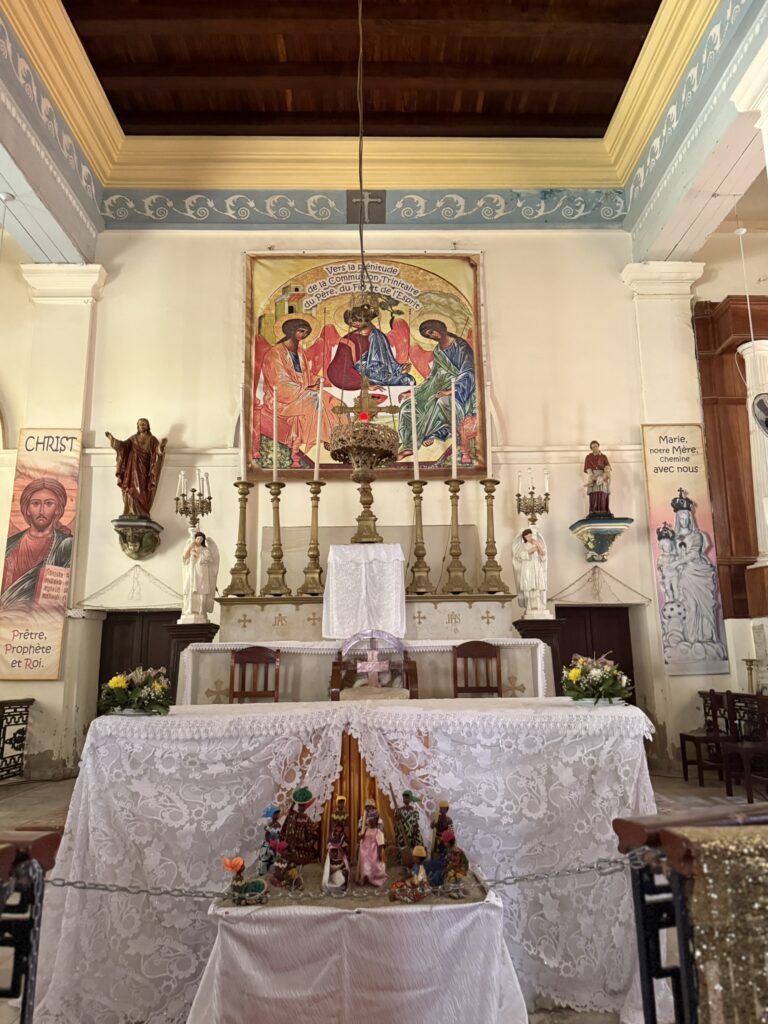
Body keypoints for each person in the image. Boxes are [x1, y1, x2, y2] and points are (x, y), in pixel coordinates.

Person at [398, 319, 475, 455]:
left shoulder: (460, 346)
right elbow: (432, 377)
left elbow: (469, 371)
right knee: (407, 407)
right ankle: (408, 444)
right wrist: (414, 392)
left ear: (439, 327)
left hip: (459, 389)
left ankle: (431, 434)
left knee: (439, 402)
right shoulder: (438, 351)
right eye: (428, 335)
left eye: (432, 331)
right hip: (436, 387)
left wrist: (451, 390)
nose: (432, 336)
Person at [260, 318, 337, 454]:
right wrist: (304, 388)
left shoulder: (300, 352)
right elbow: (280, 381)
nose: (304, 335)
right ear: (291, 330)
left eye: (307, 332)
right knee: (314, 399)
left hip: (301, 391)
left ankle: (335, 437)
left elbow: (305, 374)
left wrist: (316, 379)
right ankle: (318, 439)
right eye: (301, 331)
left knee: (333, 401)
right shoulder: (275, 353)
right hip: (282, 397)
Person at [1, 477, 72, 609]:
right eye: (35, 503)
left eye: (49, 504)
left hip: (39, 615)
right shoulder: (10, 545)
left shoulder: (64, 545)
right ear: (27, 508)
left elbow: (57, 598)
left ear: (57, 509)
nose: (42, 511)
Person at [327, 304, 414, 390]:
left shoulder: (379, 336)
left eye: (357, 321)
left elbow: (389, 361)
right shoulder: (348, 341)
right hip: (362, 377)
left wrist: (400, 369)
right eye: (352, 322)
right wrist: (363, 385)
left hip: (382, 375)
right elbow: (338, 369)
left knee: (408, 380)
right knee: (379, 383)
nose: (354, 324)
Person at [106, 419, 167, 519]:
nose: (142, 426)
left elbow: (157, 452)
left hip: (144, 469)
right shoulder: (133, 439)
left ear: (148, 426)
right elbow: (123, 446)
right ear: (137, 426)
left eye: (144, 424)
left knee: (142, 489)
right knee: (130, 489)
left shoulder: (152, 439)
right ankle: (129, 511)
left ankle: (142, 512)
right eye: (140, 424)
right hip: (131, 469)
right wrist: (113, 440)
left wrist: (161, 446)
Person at [512, 528, 550, 618]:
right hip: (528, 568)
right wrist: (530, 551)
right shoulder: (523, 546)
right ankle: (529, 606)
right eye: (527, 536)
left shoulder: (536, 543)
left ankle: (540, 605)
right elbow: (518, 556)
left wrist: (538, 545)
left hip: (537, 567)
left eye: (530, 535)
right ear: (524, 537)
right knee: (529, 586)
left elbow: (543, 555)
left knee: (539, 585)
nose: (529, 537)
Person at [180, 531, 217, 622]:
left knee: (201, 590)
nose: (199, 540)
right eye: (198, 539)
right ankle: (189, 609)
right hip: (192, 570)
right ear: (195, 539)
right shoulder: (191, 547)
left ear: (203, 540)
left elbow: (210, 559)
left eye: (201, 539)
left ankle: (201, 610)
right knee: (190, 588)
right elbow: (185, 557)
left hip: (201, 571)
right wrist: (191, 547)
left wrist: (200, 555)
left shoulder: (205, 549)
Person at [279, 786, 319, 866]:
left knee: (298, 856)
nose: (301, 808)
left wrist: (314, 831)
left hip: (302, 847)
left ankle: (294, 857)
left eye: (302, 806)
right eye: (300, 805)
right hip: (292, 844)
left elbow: (312, 831)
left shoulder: (306, 818)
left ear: (305, 807)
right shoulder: (293, 815)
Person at [357, 799, 387, 886]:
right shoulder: (363, 818)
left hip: (374, 843)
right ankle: (365, 875)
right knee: (364, 861)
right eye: (367, 807)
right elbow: (360, 831)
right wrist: (362, 831)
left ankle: (373, 875)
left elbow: (380, 832)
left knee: (374, 861)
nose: (369, 809)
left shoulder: (378, 820)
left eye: (370, 807)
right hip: (365, 844)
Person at [393, 790, 423, 862]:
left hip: (411, 833)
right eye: (404, 797)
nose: (405, 799)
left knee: (413, 846)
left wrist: (415, 832)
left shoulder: (414, 812)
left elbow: (415, 824)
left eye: (407, 797)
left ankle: (413, 860)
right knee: (402, 848)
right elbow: (396, 822)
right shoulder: (399, 810)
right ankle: (402, 860)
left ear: (410, 799)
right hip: (401, 834)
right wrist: (397, 818)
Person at [584, 441, 611, 517]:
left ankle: (603, 510)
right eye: (592, 447)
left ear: (598, 446)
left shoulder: (604, 457)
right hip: (593, 476)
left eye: (596, 446)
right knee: (594, 494)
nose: (594, 448)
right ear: (591, 448)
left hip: (603, 476)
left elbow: (608, 468)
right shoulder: (588, 457)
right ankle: (594, 510)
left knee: (603, 493)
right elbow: (588, 468)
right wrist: (593, 477)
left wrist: (603, 476)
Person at [321, 824, 350, 895]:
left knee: (345, 873)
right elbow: (330, 869)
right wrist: (339, 866)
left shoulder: (341, 853)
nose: (338, 829)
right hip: (333, 873)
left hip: (339, 871)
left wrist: (342, 866)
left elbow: (341, 843)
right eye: (337, 827)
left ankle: (345, 885)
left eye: (340, 827)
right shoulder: (332, 834)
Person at [255, 805, 282, 876]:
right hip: (268, 843)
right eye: (275, 814)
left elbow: (275, 835)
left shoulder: (277, 825)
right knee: (264, 857)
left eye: (278, 814)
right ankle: (262, 871)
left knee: (271, 857)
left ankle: (270, 871)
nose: (277, 815)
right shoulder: (270, 824)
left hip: (273, 844)